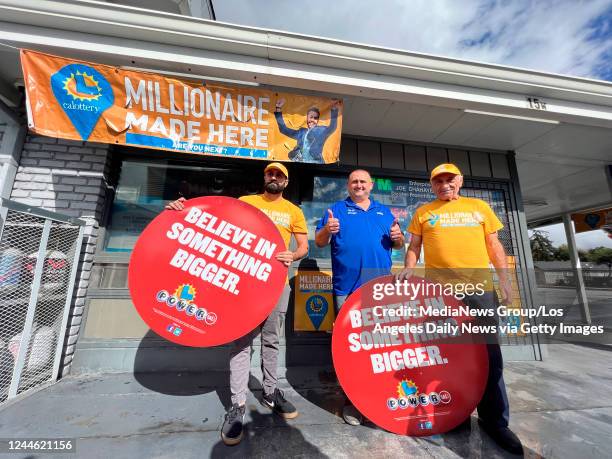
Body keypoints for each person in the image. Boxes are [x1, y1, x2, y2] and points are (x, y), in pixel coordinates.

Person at [166, 162, 308, 446]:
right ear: (264, 177)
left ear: (286, 181)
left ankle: (270, 392)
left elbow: (304, 246)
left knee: (271, 342)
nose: (274, 177)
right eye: (270, 173)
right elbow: (214, 222)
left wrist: (293, 255)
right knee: (241, 343)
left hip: (277, 285)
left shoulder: (294, 211)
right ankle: (238, 405)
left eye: (280, 175)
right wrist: (183, 211)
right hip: (243, 286)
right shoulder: (246, 202)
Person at [396, 163, 522, 454]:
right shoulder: (424, 212)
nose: (444, 184)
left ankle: (495, 422)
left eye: (449, 179)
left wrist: (504, 280)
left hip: (480, 292)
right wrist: (409, 269)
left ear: (460, 181)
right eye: (438, 181)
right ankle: (456, 414)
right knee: (448, 357)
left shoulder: (478, 207)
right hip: (441, 297)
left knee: (490, 357)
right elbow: (414, 247)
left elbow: (494, 246)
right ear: (432, 185)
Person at [315, 169, 404, 425]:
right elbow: (320, 242)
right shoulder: (336, 209)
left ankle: (379, 399)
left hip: (379, 290)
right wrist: (327, 230)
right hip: (347, 289)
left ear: (371, 185)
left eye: (363, 181)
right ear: (348, 185)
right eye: (354, 181)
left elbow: (398, 245)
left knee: (381, 348)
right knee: (353, 351)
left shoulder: (384, 212)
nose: (359, 185)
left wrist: (399, 240)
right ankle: (354, 403)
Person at [274, 98, 340, 163]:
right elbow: (283, 129)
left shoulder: (321, 131)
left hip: (316, 164)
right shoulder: (301, 132)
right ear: (307, 118)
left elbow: (332, 127)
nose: (312, 120)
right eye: (311, 117)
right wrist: (278, 108)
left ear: (318, 120)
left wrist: (334, 109)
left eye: (315, 118)